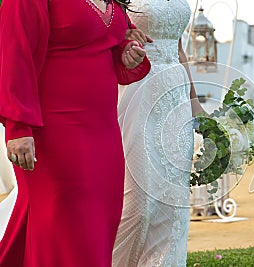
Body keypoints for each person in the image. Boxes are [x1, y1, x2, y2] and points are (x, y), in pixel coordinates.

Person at [0, 0, 151, 266]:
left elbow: (107, 44)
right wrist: (18, 126)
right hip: (54, 132)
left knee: (99, 224)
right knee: (65, 227)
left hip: (103, 132)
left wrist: (125, 51)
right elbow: (15, 52)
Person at [112, 0, 204, 266]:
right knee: (137, 203)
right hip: (136, 91)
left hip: (175, 97)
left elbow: (178, 49)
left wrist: (194, 102)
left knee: (173, 200)